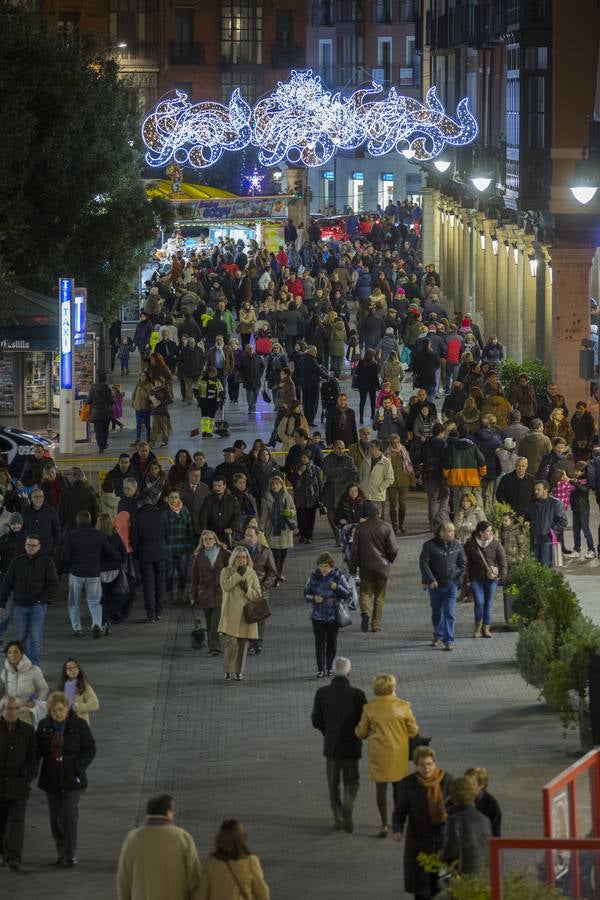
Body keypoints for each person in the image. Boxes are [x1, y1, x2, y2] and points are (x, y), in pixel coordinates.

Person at [355, 673, 419, 839]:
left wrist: (362, 731)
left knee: (381, 789)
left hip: (379, 753)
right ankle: (397, 823)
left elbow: (361, 733)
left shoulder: (369, 708)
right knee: (398, 788)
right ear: (392, 687)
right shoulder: (403, 706)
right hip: (398, 751)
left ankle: (383, 824)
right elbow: (414, 730)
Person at [36, 690, 96, 867]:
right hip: (51, 779)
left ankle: (70, 854)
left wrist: (77, 769)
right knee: (55, 818)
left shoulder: (80, 725)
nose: (58, 714)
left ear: (67, 708)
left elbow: (89, 749)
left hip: (72, 779)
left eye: (61, 709)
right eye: (54, 711)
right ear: (49, 711)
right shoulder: (43, 726)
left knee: (69, 816)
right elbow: (36, 752)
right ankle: (61, 852)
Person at [311, 657, 366, 833]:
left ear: (333, 672)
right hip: (352, 746)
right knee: (352, 780)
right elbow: (365, 721)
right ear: (349, 673)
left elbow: (316, 720)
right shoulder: (358, 694)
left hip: (331, 746)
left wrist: (327, 732)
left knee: (333, 784)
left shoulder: (322, 693)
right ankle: (349, 803)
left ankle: (339, 817)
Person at [392, 746, 452, 900]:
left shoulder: (446, 780)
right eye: (422, 765)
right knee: (421, 885)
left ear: (435, 763)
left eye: (429, 764)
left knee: (441, 884)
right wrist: (397, 829)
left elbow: (454, 807)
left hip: (442, 839)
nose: (426, 768)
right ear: (416, 766)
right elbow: (400, 810)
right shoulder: (408, 784)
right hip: (419, 840)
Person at [117, 793, 203, 900]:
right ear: (168, 813)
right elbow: (194, 875)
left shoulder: (133, 838)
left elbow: (124, 878)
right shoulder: (182, 837)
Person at [0, 533, 58, 666]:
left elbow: (53, 584)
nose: (30, 547)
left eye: (34, 545)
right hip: (19, 606)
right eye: (28, 545)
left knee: (35, 638)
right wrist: (2, 604)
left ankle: (34, 667)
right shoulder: (17, 562)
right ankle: (22, 666)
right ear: (25, 545)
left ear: (39, 546)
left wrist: (42, 600)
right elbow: (7, 584)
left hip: (37, 606)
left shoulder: (47, 562)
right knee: (20, 638)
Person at [62, 510, 122, 638]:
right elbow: (110, 551)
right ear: (90, 521)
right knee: (95, 602)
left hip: (76, 573)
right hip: (93, 574)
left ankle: (77, 629)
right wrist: (120, 556)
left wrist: (66, 569)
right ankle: (96, 624)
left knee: (74, 603)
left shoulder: (71, 535)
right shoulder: (98, 535)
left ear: (77, 521)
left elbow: (65, 556)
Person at [0, 695, 38, 870]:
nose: (13, 712)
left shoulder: (28, 731)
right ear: (2, 710)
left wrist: (28, 778)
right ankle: (2, 854)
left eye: (16, 708)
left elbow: (34, 758)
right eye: (9, 708)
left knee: (16, 822)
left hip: (19, 784)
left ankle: (14, 857)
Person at [350, 501, 399, 633]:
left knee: (365, 592)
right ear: (379, 512)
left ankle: (365, 611)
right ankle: (375, 624)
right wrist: (388, 559)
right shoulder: (386, 527)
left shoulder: (360, 528)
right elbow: (394, 549)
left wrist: (353, 567)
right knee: (379, 596)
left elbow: (354, 550)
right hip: (382, 567)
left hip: (365, 566)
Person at [419, 521, 467, 651]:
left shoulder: (457, 546)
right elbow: (424, 564)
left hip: (451, 585)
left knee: (449, 612)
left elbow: (463, 564)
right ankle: (438, 634)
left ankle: (448, 640)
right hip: (435, 586)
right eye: (450, 531)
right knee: (437, 612)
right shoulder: (429, 546)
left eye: (453, 531)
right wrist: (430, 579)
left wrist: (457, 582)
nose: (453, 533)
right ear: (441, 532)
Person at [304, 553, 352, 679]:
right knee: (319, 644)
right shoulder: (313, 577)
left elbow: (348, 593)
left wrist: (337, 588)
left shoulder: (338, 576)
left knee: (332, 643)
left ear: (331, 566)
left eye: (325, 566)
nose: (323, 569)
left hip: (333, 616)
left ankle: (329, 667)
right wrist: (313, 598)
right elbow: (306, 594)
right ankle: (321, 669)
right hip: (317, 616)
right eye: (321, 566)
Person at [197, 819, 270, 900]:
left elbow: (201, 895)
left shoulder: (210, 862)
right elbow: (262, 894)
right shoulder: (251, 861)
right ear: (242, 838)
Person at [218, 546, 261, 681]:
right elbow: (225, 586)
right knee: (231, 643)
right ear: (234, 558)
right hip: (230, 613)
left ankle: (238, 671)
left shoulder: (251, 573)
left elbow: (257, 594)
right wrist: (237, 575)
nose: (241, 560)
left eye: (244, 557)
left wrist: (247, 590)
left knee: (243, 644)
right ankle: (228, 670)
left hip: (245, 614)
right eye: (239, 557)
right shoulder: (226, 571)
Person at [440, 775, 491, 877]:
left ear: (453, 796)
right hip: (482, 872)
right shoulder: (484, 818)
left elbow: (450, 851)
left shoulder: (454, 820)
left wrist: (439, 858)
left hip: (463, 873)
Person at [189, 530, 229, 657]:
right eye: (205, 539)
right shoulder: (198, 557)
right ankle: (213, 646)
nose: (208, 541)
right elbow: (194, 578)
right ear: (202, 541)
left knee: (215, 622)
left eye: (210, 539)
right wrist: (193, 596)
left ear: (215, 540)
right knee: (209, 621)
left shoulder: (223, 553)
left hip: (220, 593)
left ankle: (215, 648)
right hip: (205, 594)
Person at [465, 521, 508, 638]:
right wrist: (467, 579)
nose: (491, 533)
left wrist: (501, 576)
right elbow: (465, 563)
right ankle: (477, 627)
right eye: (488, 531)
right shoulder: (470, 545)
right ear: (481, 532)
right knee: (479, 603)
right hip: (476, 579)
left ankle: (486, 628)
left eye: (491, 530)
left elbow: (503, 561)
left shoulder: (495, 544)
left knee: (488, 603)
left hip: (492, 579)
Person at [243, 525, 278, 655]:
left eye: (251, 535)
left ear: (257, 536)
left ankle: (258, 643)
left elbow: (272, 572)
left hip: (260, 590)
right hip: (244, 590)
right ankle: (251, 643)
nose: (248, 538)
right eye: (246, 535)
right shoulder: (241, 550)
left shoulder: (265, 551)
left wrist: (264, 586)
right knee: (247, 616)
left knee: (259, 617)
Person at [132, 498, 168, 622]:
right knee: (160, 583)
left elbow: (134, 539)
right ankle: (159, 612)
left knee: (148, 585)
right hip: (161, 553)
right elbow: (166, 533)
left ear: (140, 504)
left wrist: (136, 555)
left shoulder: (137, 517)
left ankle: (150, 614)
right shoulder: (160, 514)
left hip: (145, 555)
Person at [0, 641, 49, 726]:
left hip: (27, 709)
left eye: (16, 652)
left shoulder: (34, 670)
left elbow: (43, 689)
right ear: (7, 656)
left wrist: (37, 703)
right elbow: (3, 693)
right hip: (9, 709)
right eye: (9, 653)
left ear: (22, 653)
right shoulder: (5, 673)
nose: (13, 655)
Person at [259, 475, 296, 576]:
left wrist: (289, 512)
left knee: (283, 554)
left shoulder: (287, 497)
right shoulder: (266, 498)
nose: (274, 486)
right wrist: (261, 529)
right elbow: (264, 515)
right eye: (272, 484)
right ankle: (276, 575)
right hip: (272, 529)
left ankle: (279, 572)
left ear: (281, 485)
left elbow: (293, 510)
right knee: (275, 555)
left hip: (285, 529)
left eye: (277, 484)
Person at [526, 479, 568, 567]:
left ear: (545, 490)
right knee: (534, 567)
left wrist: (551, 533)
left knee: (546, 568)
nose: (535, 492)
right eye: (535, 489)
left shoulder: (555, 503)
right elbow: (528, 516)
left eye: (538, 489)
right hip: (534, 541)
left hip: (548, 542)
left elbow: (563, 521)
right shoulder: (532, 503)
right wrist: (527, 521)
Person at [96, 512, 127, 633]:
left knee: (102, 598)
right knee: (113, 596)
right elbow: (124, 555)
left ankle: (103, 621)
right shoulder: (116, 537)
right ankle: (109, 618)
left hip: (100, 572)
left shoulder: (96, 538)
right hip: (115, 571)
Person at [163, 488, 194, 606]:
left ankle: (181, 595)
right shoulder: (164, 512)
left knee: (183, 574)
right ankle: (169, 596)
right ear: (167, 499)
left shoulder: (185, 510)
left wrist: (190, 544)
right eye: (171, 497)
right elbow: (161, 532)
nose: (173, 500)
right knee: (168, 574)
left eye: (176, 497)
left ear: (179, 498)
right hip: (169, 548)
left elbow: (189, 528)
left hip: (183, 548)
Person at [199, 476, 240, 547]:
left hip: (227, 535)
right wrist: (204, 529)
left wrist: (231, 528)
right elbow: (203, 516)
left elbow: (236, 516)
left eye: (219, 486)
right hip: (211, 536)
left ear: (224, 486)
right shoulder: (208, 500)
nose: (217, 488)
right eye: (215, 486)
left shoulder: (233, 500)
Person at [386, 435, 415, 535]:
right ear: (390, 443)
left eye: (397, 442)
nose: (396, 444)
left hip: (404, 481)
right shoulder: (387, 453)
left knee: (402, 503)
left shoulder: (404, 451)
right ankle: (394, 525)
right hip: (391, 482)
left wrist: (412, 480)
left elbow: (409, 465)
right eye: (394, 442)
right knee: (392, 504)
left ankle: (401, 524)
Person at [57, 659, 99, 725]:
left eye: (75, 667)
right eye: (69, 668)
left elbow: (95, 704)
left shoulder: (84, 686)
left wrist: (77, 707)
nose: (73, 670)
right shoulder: (62, 688)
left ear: (78, 669)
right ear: (65, 671)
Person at [358, 439, 395, 516]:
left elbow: (390, 478)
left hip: (377, 496)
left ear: (378, 448)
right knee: (364, 518)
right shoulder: (365, 460)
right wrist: (361, 487)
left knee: (377, 519)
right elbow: (361, 475)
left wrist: (380, 488)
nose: (369, 449)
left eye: (372, 447)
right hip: (365, 495)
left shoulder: (386, 462)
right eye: (369, 447)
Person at [22, 488, 61, 558]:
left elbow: (57, 529)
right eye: (36, 496)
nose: (38, 498)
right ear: (31, 498)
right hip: (30, 550)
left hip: (47, 549)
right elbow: (21, 530)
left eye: (41, 496)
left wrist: (56, 546)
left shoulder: (51, 510)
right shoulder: (25, 511)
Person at [464, 767, 502, 837]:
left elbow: (495, 834)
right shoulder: (458, 799)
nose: (467, 787)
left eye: (471, 784)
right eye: (465, 783)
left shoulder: (491, 805)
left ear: (481, 785)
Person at [570, 461, 596, 559]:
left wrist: (574, 482)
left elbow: (583, 490)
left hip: (583, 509)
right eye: (575, 470)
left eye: (578, 471)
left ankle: (591, 550)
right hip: (575, 508)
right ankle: (576, 549)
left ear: (583, 471)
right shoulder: (575, 479)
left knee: (586, 530)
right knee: (575, 531)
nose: (576, 472)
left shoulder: (587, 480)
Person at [87, 373, 113, 454]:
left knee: (98, 431)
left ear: (97, 379)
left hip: (96, 413)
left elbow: (89, 401)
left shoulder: (92, 389)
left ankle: (100, 447)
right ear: (105, 379)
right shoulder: (107, 389)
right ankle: (104, 444)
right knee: (105, 430)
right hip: (106, 413)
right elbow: (111, 401)